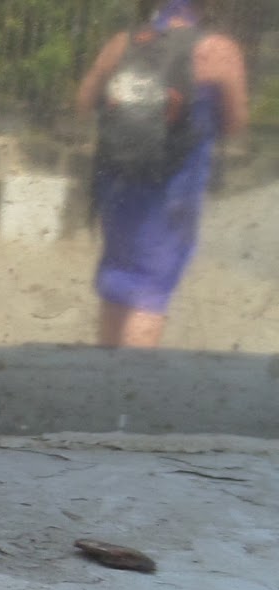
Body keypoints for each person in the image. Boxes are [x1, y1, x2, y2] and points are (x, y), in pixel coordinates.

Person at [77, 0, 249, 348]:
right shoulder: (218, 50)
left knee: (117, 277)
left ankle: (103, 370)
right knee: (150, 289)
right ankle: (131, 378)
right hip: (173, 188)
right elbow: (235, 124)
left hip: (118, 182)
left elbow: (84, 102)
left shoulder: (122, 43)